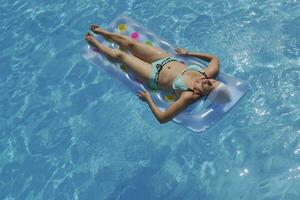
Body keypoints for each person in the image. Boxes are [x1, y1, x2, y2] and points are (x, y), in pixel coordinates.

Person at [85, 24, 231, 123]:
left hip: (153, 74)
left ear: (208, 95)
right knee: (131, 44)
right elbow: (214, 59)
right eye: (214, 82)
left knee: (120, 56)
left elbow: (162, 119)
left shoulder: (188, 96)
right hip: (164, 59)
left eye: (210, 86)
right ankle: (103, 32)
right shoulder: (208, 73)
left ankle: (96, 45)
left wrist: (149, 99)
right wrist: (188, 53)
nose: (209, 81)